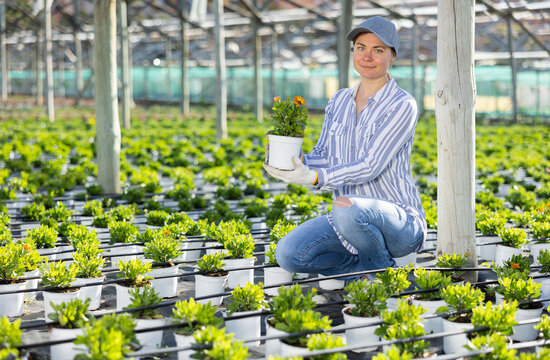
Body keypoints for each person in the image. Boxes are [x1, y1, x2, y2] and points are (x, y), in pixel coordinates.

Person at [263, 16, 427, 279]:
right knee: (288, 253)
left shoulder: (401, 104)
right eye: (361, 48)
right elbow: (324, 155)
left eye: (378, 50)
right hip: (346, 221)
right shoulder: (339, 100)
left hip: (399, 222)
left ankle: (379, 277)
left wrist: (317, 178)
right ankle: (368, 269)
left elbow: (370, 165)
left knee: (346, 208)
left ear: (392, 56)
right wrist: (293, 162)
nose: (367, 56)